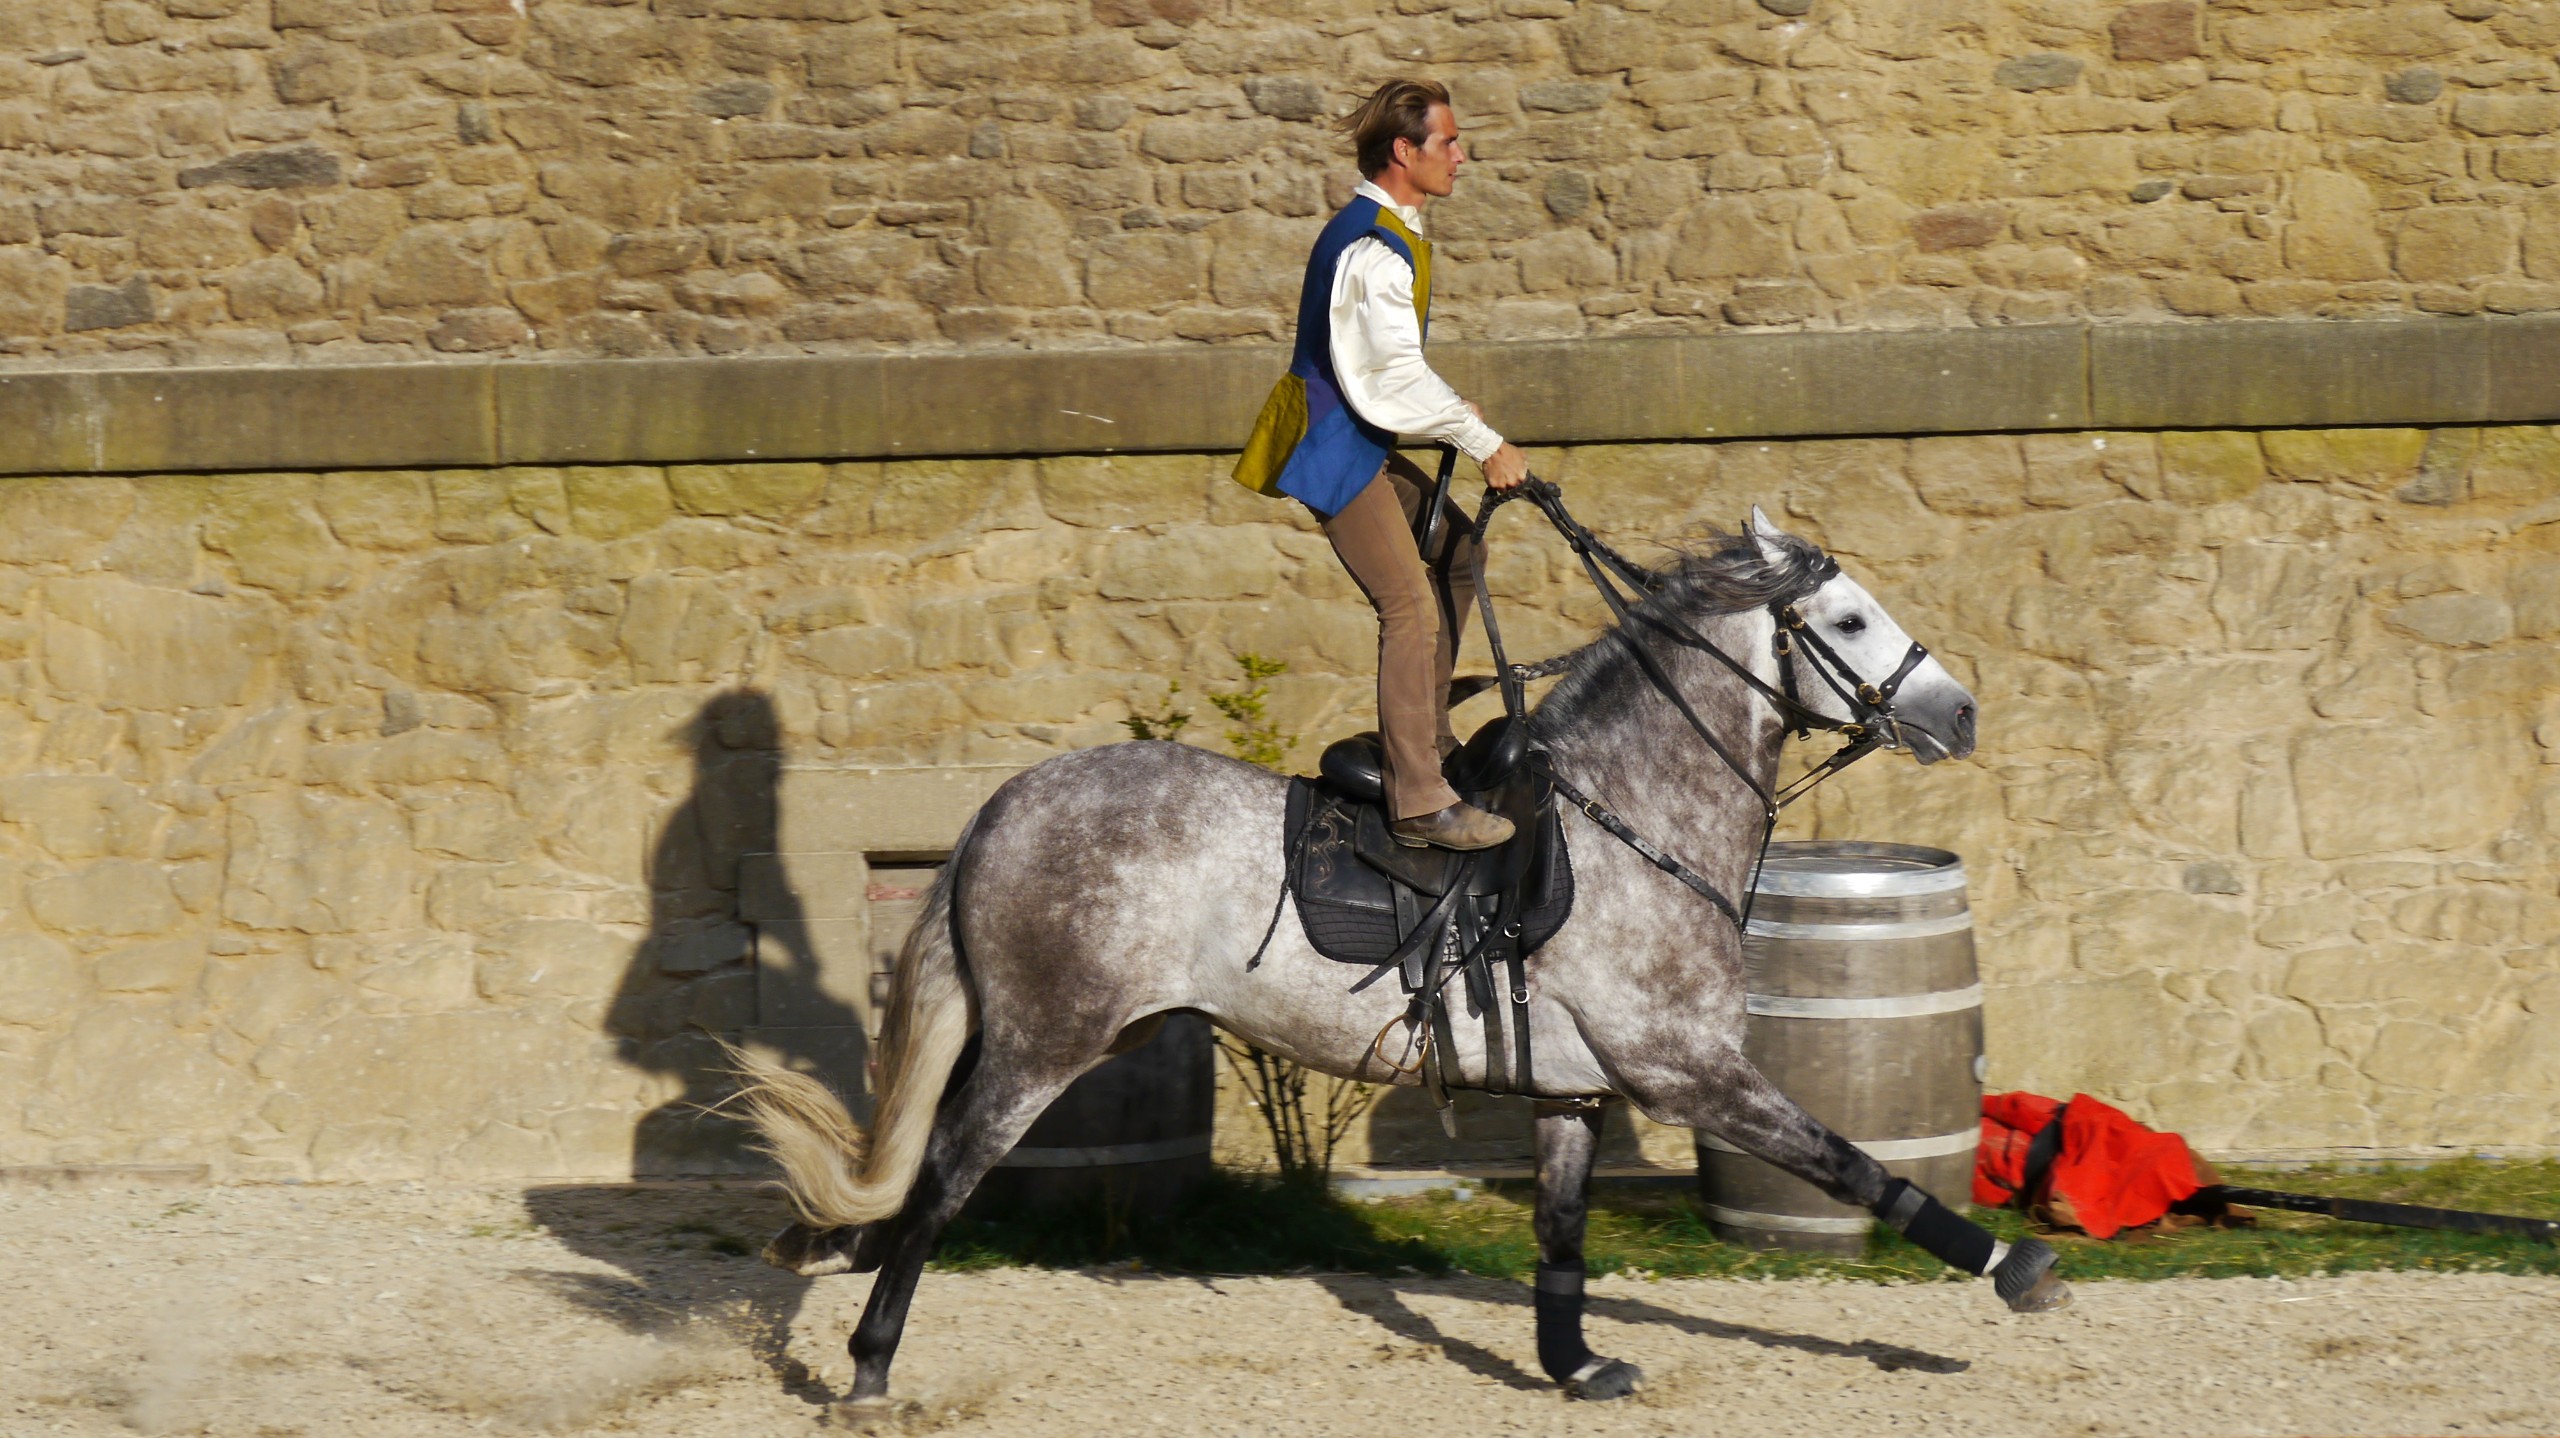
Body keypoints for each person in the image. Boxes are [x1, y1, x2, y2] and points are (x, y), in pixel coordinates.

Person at [1233, 77, 1530, 851]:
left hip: (1357, 435)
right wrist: (1483, 443)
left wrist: (1455, 413)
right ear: (1405, 150)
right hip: (1334, 445)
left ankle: (1429, 738)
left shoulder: (1395, 230)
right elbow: (1392, 377)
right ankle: (1420, 801)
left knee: (1461, 552)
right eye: (1449, 142)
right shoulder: (1373, 248)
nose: (1461, 157)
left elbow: (1386, 367)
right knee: (1409, 607)